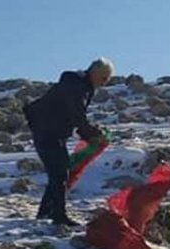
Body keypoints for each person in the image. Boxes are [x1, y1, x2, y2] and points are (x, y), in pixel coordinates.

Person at [24, 58, 113, 227]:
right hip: (47, 131)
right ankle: (58, 216)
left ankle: (45, 212)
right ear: (94, 72)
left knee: (59, 172)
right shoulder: (76, 86)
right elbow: (77, 115)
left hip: (52, 132)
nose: (104, 83)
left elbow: (77, 119)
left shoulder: (84, 86)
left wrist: (90, 133)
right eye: (103, 78)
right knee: (60, 173)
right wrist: (92, 134)